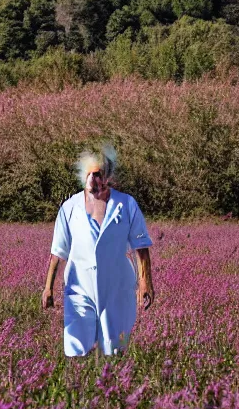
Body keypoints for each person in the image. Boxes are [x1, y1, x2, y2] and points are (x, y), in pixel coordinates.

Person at [42, 146, 155, 357]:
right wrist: (48, 287)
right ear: (84, 177)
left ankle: (114, 387)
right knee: (77, 348)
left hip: (117, 285)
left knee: (115, 348)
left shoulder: (126, 204)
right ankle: (81, 385)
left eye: (99, 174)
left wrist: (145, 281)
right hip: (79, 286)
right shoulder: (69, 208)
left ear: (107, 176)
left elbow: (141, 247)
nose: (95, 178)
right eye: (91, 174)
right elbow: (58, 251)